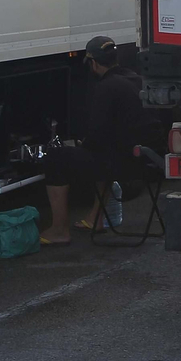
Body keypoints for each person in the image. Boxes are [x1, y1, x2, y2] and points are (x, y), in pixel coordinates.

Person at [37, 36, 144, 245]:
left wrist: (80, 144)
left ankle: (59, 230)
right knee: (107, 152)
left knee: (55, 159)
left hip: (122, 166)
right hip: (142, 163)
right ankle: (95, 218)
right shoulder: (136, 79)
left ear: (93, 63)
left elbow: (96, 136)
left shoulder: (106, 87)